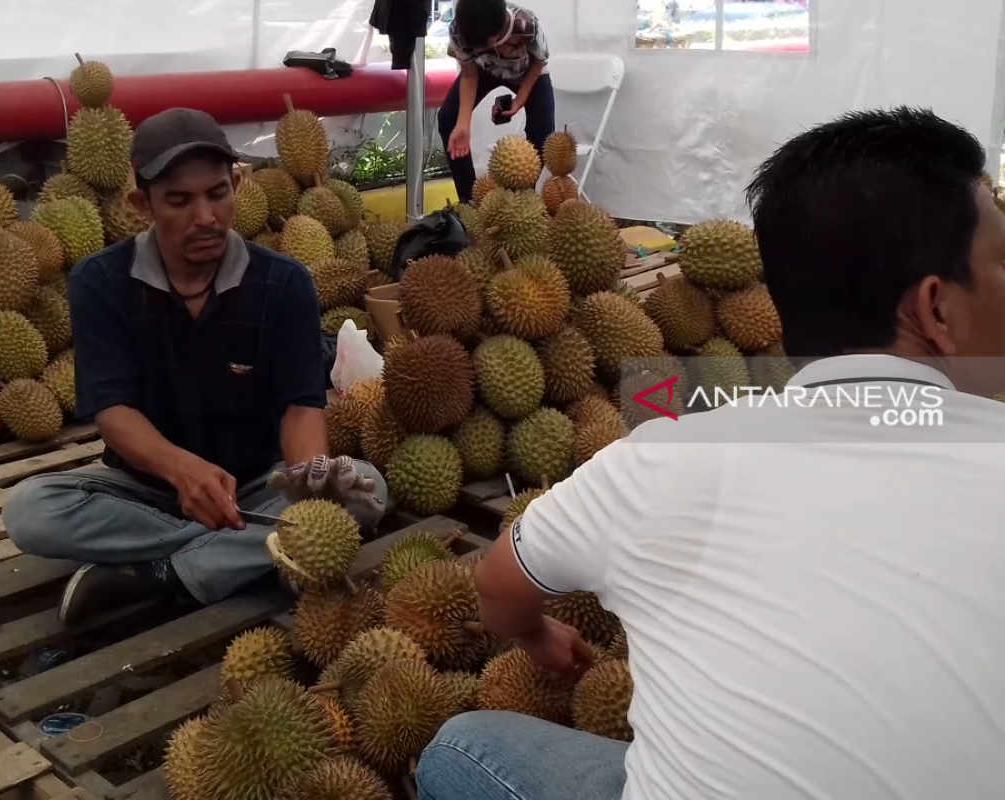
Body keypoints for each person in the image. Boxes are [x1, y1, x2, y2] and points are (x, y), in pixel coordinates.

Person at [416, 106, 1005, 799]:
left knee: (462, 745)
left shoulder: (665, 456)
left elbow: (497, 584)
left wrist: (540, 638)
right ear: (935, 309)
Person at [2, 108, 388, 626]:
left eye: (217, 193)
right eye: (180, 201)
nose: (205, 216)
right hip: (146, 492)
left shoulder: (285, 282)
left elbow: (301, 408)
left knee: (366, 489)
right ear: (143, 205)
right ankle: (240, 554)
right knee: (28, 511)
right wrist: (182, 472)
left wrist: (307, 482)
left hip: (257, 485)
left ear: (236, 186)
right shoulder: (100, 282)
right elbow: (113, 411)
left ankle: (163, 575)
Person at [439, 0, 555, 204]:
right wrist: (463, 123)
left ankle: (521, 199)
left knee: (543, 132)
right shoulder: (459, 29)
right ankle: (470, 201)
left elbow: (539, 62)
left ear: (500, 28)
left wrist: (520, 99)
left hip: (527, 71)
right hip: (483, 71)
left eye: (486, 44)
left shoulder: (525, 24)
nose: (481, 48)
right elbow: (469, 75)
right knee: (449, 119)